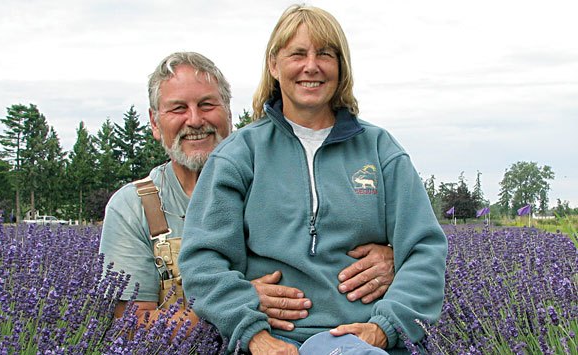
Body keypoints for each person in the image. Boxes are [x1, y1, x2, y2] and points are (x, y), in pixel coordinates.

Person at [179, 5, 447, 355]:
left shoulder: (380, 149)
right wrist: (255, 338)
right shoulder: (239, 154)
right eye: (298, 54)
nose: (312, 66)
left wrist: (384, 329)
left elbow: (425, 249)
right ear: (274, 65)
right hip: (271, 343)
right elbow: (202, 262)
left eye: (325, 54)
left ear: (341, 67)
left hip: (367, 343)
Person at [99, 51, 395, 334]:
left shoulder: (281, 181)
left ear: (228, 112)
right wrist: (236, 301)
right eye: (178, 108)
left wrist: (394, 257)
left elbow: (331, 246)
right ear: (154, 122)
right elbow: (131, 328)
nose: (195, 120)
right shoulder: (134, 206)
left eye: (207, 105)